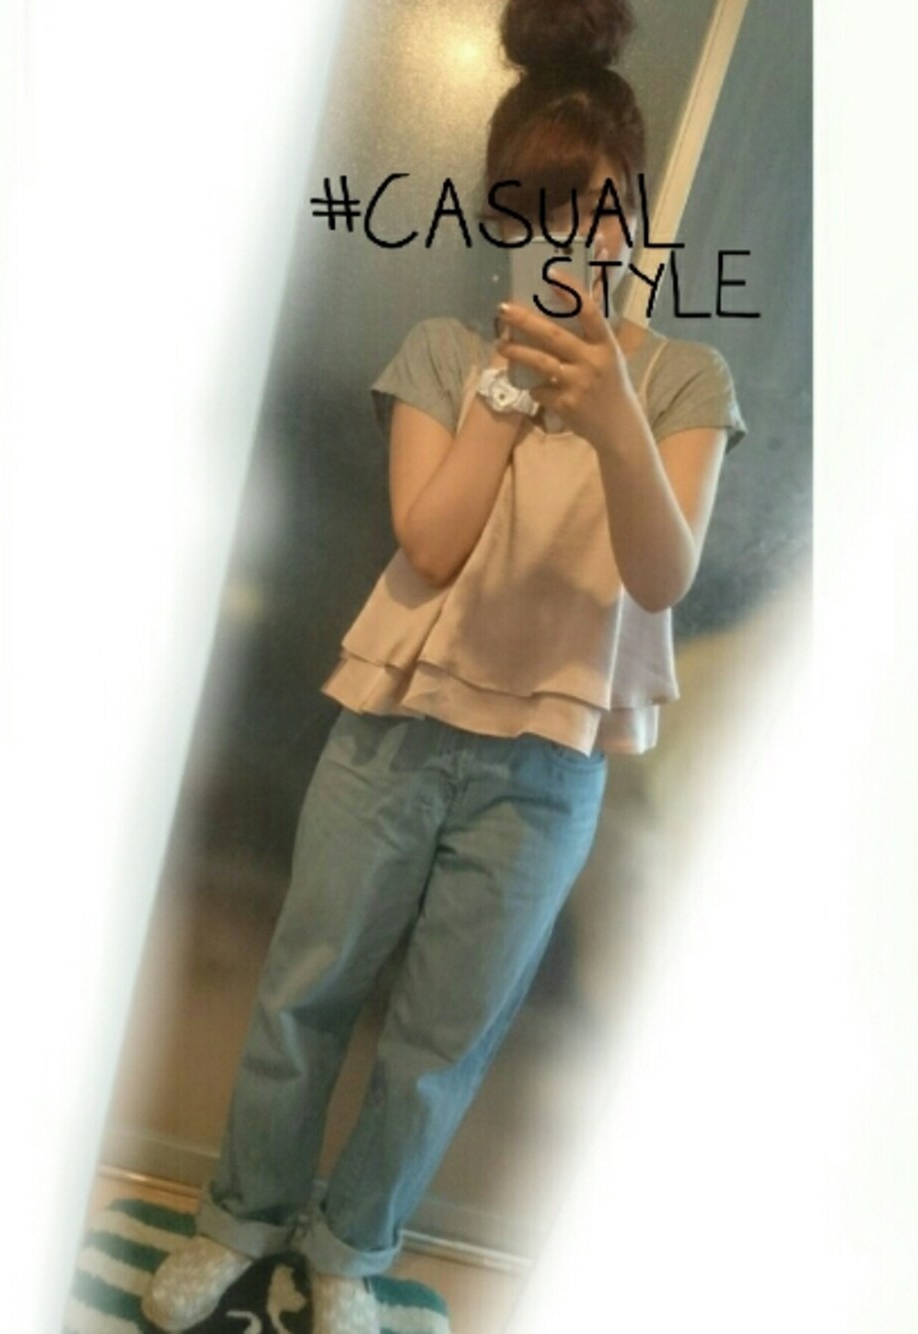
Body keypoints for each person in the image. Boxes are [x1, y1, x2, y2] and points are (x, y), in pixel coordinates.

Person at [142, 0, 747, 1329]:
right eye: (539, 213)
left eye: (596, 209)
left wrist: (610, 414)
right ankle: (238, 1219)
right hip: (393, 734)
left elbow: (663, 573)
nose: (572, 238)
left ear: (635, 212)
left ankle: (346, 1252)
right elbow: (430, 541)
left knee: (439, 1043)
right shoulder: (442, 357)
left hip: (549, 770)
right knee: (304, 993)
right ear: (503, 224)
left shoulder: (685, 382)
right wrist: (513, 395)